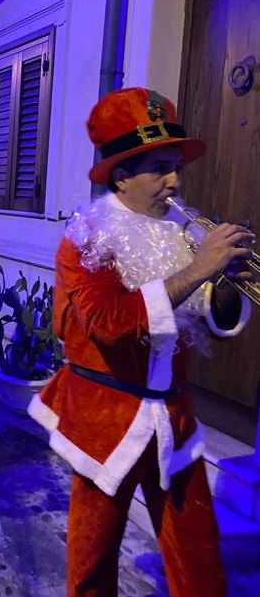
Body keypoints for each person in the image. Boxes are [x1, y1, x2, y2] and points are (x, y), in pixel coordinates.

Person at [28, 87, 253, 597]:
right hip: (105, 416)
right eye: (159, 168)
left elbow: (205, 316)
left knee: (197, 545)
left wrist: (222, 283)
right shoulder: (88, 236)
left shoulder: (183, 230)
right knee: (94, 550)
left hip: (174, 414)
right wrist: (201, 269)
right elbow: (109, 321)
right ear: (122, 175)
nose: (175, 181)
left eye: (176, 166)